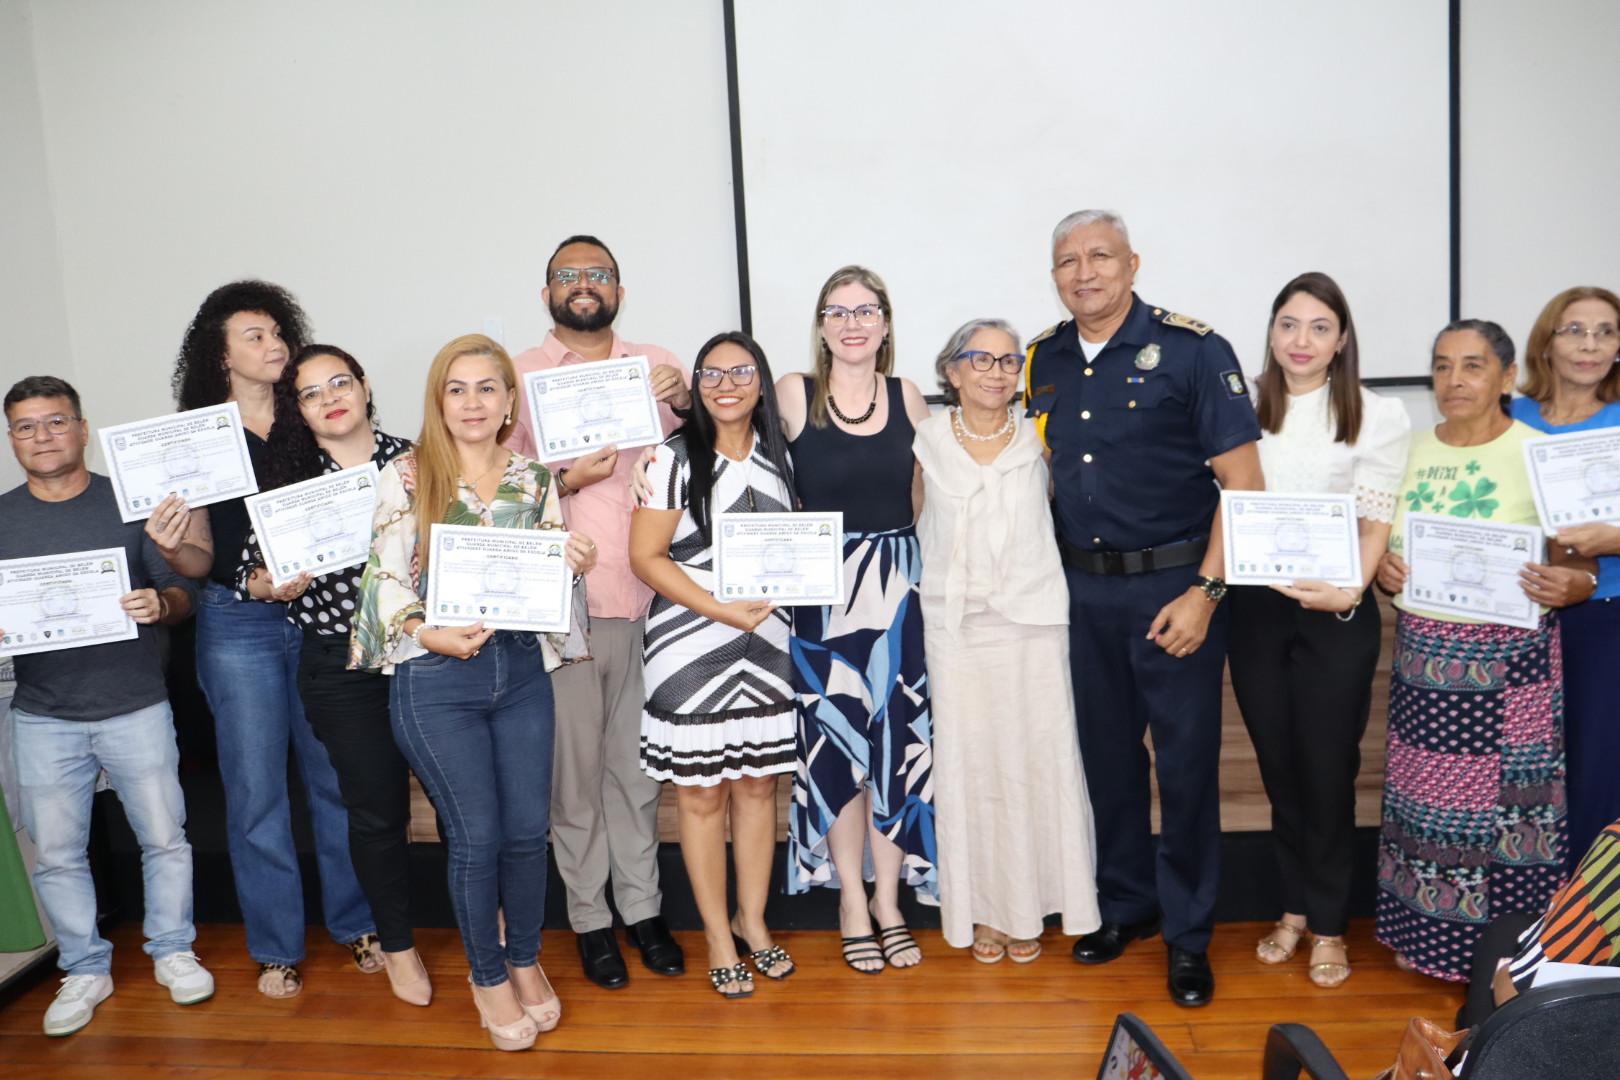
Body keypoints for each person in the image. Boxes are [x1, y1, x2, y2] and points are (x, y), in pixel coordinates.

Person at [1025, 209, 1264, 1007]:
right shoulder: (1040, 359)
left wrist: (1207, 592)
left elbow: (1245, 487)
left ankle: (1189, 938)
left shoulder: (1195, 351)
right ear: (1053, 275)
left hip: (1178, 591)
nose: (1083, 272)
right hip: (1081, 593)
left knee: (1187, 770)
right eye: (1067, 261)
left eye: (1099, 256)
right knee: (1108, 761)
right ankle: (1127, 906)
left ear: (1133, 263)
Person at [351, 334, 597, 1051]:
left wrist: (573, 562)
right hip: (436, 678)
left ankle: (524, 960)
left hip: (520, 672)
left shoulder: (535, 479)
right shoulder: (405, 475)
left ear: (510, 401)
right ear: (438, 400)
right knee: (477, 836)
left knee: (526, 834)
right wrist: (431, 635)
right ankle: (486, 976)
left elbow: (549, 580)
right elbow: (384, 579)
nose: (472, 402)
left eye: (487, 388)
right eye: (457, 388)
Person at [169, 280, 376, 998]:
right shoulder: (194, 437)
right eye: (252, 336)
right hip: (238, 624)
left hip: (321, 619)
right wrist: (215, 567)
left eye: (277, 331)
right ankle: (278, 947)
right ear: (218, 357)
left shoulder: (312, 421)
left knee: (335, 781)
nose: (274, 345)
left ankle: (357, 926)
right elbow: (195, 557)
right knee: (256, 792)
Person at [1374, 319, 1594, 981]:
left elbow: (1577, 566)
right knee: (1427, 806)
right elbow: (1382, 539)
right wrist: (1384, 564)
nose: (1454, 381)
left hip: (1512, 663)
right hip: (1426, 658)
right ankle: (1425, 944)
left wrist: (1572, 584)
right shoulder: (1407, 449)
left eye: (1472, 366)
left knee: (1507, 815)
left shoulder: (1537, 453)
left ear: (1507, 378)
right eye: (1442, 366)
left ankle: (1502, 960)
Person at [1, 376, 211, 1036]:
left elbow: (184, 592)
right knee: (58, 853)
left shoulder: (129, 504)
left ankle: (174, 952)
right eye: (27, 427)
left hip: (135, 703)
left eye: (56, 422)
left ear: (83, 430)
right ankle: (85, 968)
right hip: (42, 711)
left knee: (164, 840)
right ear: (12, 439)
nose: (43, 436)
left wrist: (161, 605)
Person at [506, 234, 687, 989]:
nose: (584, 284)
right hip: (561, 616)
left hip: (652, 606)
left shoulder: (656, 366)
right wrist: (562, 478)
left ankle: (643, 910)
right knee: (573, 779)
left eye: (598, 274)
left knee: (634, 776)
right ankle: (590, 919)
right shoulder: (517, 376)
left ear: (618, 287)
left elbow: (695, 466)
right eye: (568, 275)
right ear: (547, 290)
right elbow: (496, 489)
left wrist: (688, 404)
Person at [1227, 273, 1412, 988]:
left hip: (1336, 609)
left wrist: (1349, 591)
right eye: (1287, 324)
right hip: (1256, 608)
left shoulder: (1373, 412)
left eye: (1318, 327)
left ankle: (1330, 924)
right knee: (1280, 769)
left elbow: (1374, 520)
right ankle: (1295, 910)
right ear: (1271, 334)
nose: (1300, 341)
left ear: (1341, 340)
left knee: (1327, 772)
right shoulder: (1241, 406)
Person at [234, 345, 426, 1004]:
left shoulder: (418, 459)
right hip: (338, 665)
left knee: (464, 810)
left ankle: (496, 936)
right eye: (311, 393)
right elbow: (245, 573)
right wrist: (270, 584)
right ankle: (397, 947)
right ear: (300, 410)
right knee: (374, 813)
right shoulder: (287, 475)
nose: (329, 398)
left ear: (365, 386)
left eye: (339, 382)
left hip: (423, 655)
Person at [914, 319, 1100, 963]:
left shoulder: (1042, 437)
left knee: (1036, 765)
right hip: (957, 628)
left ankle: (1034, 910)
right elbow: (914, 525)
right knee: (972, 768)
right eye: (980, 359)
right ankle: (984, 912)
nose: (996, 371)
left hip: (1033, 623)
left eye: (1007, 360)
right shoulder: (926, 441)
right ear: (952, 370)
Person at [777, 265, 939, 975]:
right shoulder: (793, 394)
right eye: (837, 311)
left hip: (899, 592)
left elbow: (931, 493)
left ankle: (890, 902)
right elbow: (735, 455)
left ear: (885, 323)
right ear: (820, 326)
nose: (852, 322)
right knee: (837, 749)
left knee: (897, 749)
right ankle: (849, 900)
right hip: (823, 596)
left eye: (865, 310)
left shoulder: (908, 395)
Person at [629, 331, 798, 998]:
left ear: (761, 381)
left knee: (758, 786)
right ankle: (718, 938)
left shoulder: (781, 457)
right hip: (689, 645)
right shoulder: (671, 459)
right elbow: (647, 558)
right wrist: (721, 610)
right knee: (701, 797)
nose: (727, 383)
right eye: (712, 373)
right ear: (695, 385)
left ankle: (752, 922)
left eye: (741, 371)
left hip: (768, 646)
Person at [1509, 287, 1620, 861]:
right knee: (1516, 770)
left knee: (1594, 767)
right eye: (1574, 330)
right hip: (1512, 615)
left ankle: (1586, 925)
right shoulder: (1508, 413)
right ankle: (1523, 912)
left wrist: (1612, 542)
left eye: (1605, 332)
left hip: (1604, 619)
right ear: (1546, 342)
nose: (1590, 345)